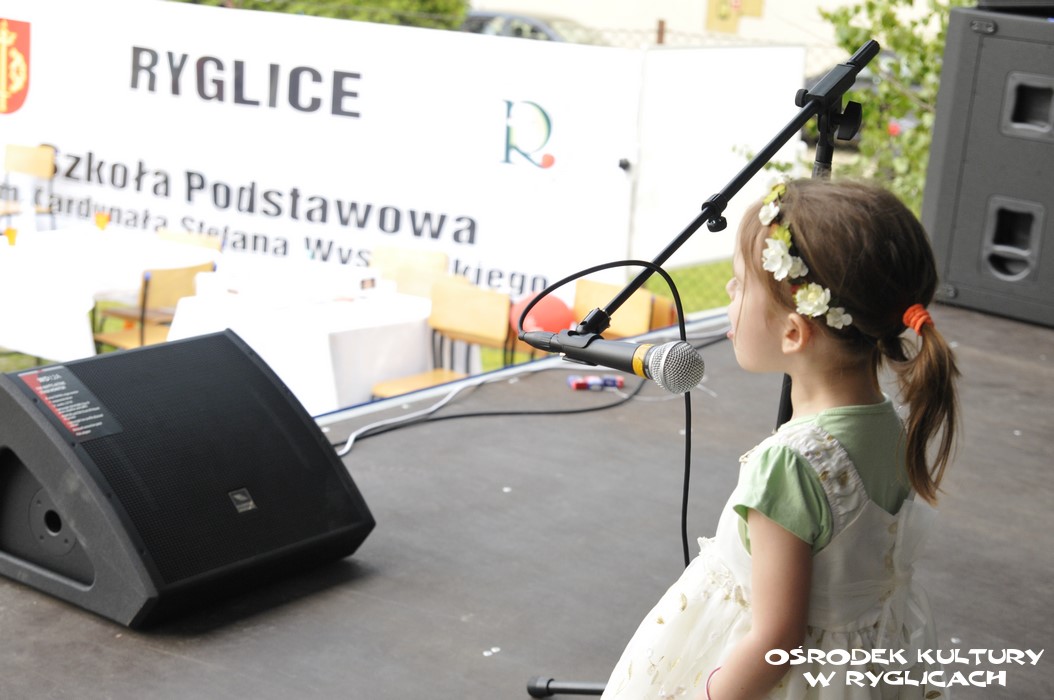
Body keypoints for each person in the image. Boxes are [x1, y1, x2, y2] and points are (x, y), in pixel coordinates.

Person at [600, 177, 960, 700]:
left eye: (739, 284)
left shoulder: (788, 466)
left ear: (794, 332)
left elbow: (776, 641)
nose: (728, 295)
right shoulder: (893, 423)